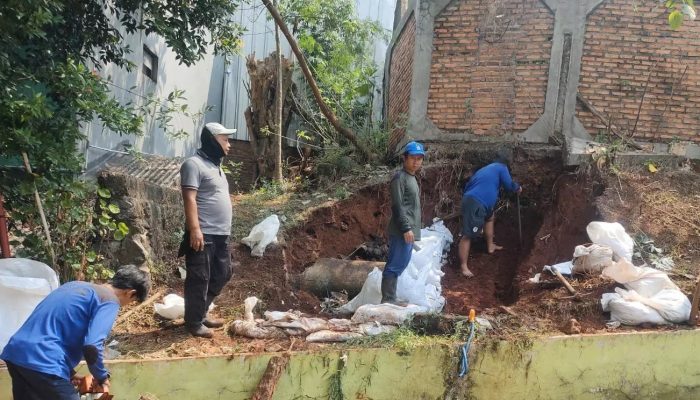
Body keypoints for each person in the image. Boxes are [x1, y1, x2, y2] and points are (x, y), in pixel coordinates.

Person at [1, 265, 150, 400]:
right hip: (45, 361)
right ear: (131, 293)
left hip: (16, 355)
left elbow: (50, 331)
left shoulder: (73, 286)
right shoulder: (109, 300)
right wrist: (102, 378)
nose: (125, 306)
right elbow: (92, 346)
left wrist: (69, 373)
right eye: (132, 302)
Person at [179, 122, 236, 338]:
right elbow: (189, 198)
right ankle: (193, 322)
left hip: (221, 234)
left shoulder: (215, 166)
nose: (229, 145)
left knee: (223, 274)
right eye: (225, 140)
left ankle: (200, 313)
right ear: (212, 140)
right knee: (199, 277)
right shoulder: (193, 164)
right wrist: (195, 229)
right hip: (204, 234)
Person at [459, 149, 522, 278]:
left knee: (490, 218)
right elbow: (509, 185)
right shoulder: (501, 168)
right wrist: (518, 187)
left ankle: (490, 246)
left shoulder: (486, 169)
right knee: (468, 235)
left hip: (482, 204)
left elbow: (468, 186)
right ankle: (463, 266)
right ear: (506, 162)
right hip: (476, 203)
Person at [382, 141, 425, 305]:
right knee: (395, 264)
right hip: (401, 230)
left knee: (402, 263)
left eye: (420, 158)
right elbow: (398, 206)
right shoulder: (399, 178)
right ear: (405, 158)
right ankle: (388, 299)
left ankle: (391, 297)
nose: (416, 161)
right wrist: (406, 228)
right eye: (413, 158)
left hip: (408, 231)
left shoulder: (411, 178)